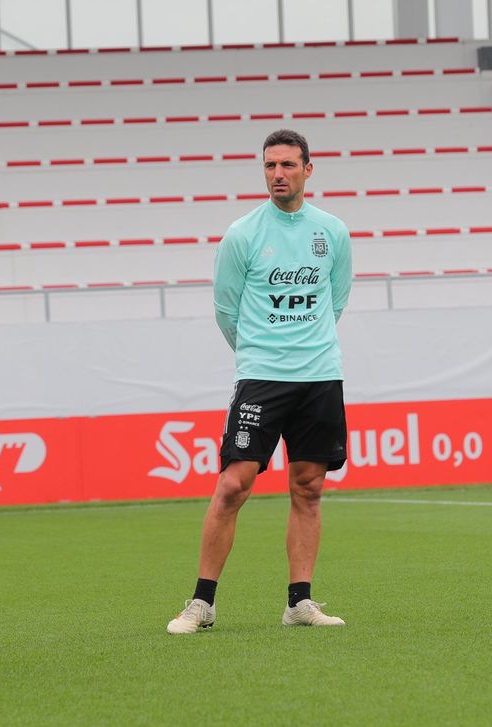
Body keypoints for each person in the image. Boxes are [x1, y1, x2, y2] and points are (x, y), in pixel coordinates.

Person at [166, 129, 352, 634]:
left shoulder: (332, 232)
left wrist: (306, 347)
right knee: (233, 485)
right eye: (270, 166)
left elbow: (335, 301)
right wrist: (259, 353)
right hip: (262, 378)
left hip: (320, 376)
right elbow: (226, 311)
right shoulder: (242, 234)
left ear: (307, 170)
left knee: (309, 488)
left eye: (288, 165)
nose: (278, 174)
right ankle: (201, 603)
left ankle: (299, 603)